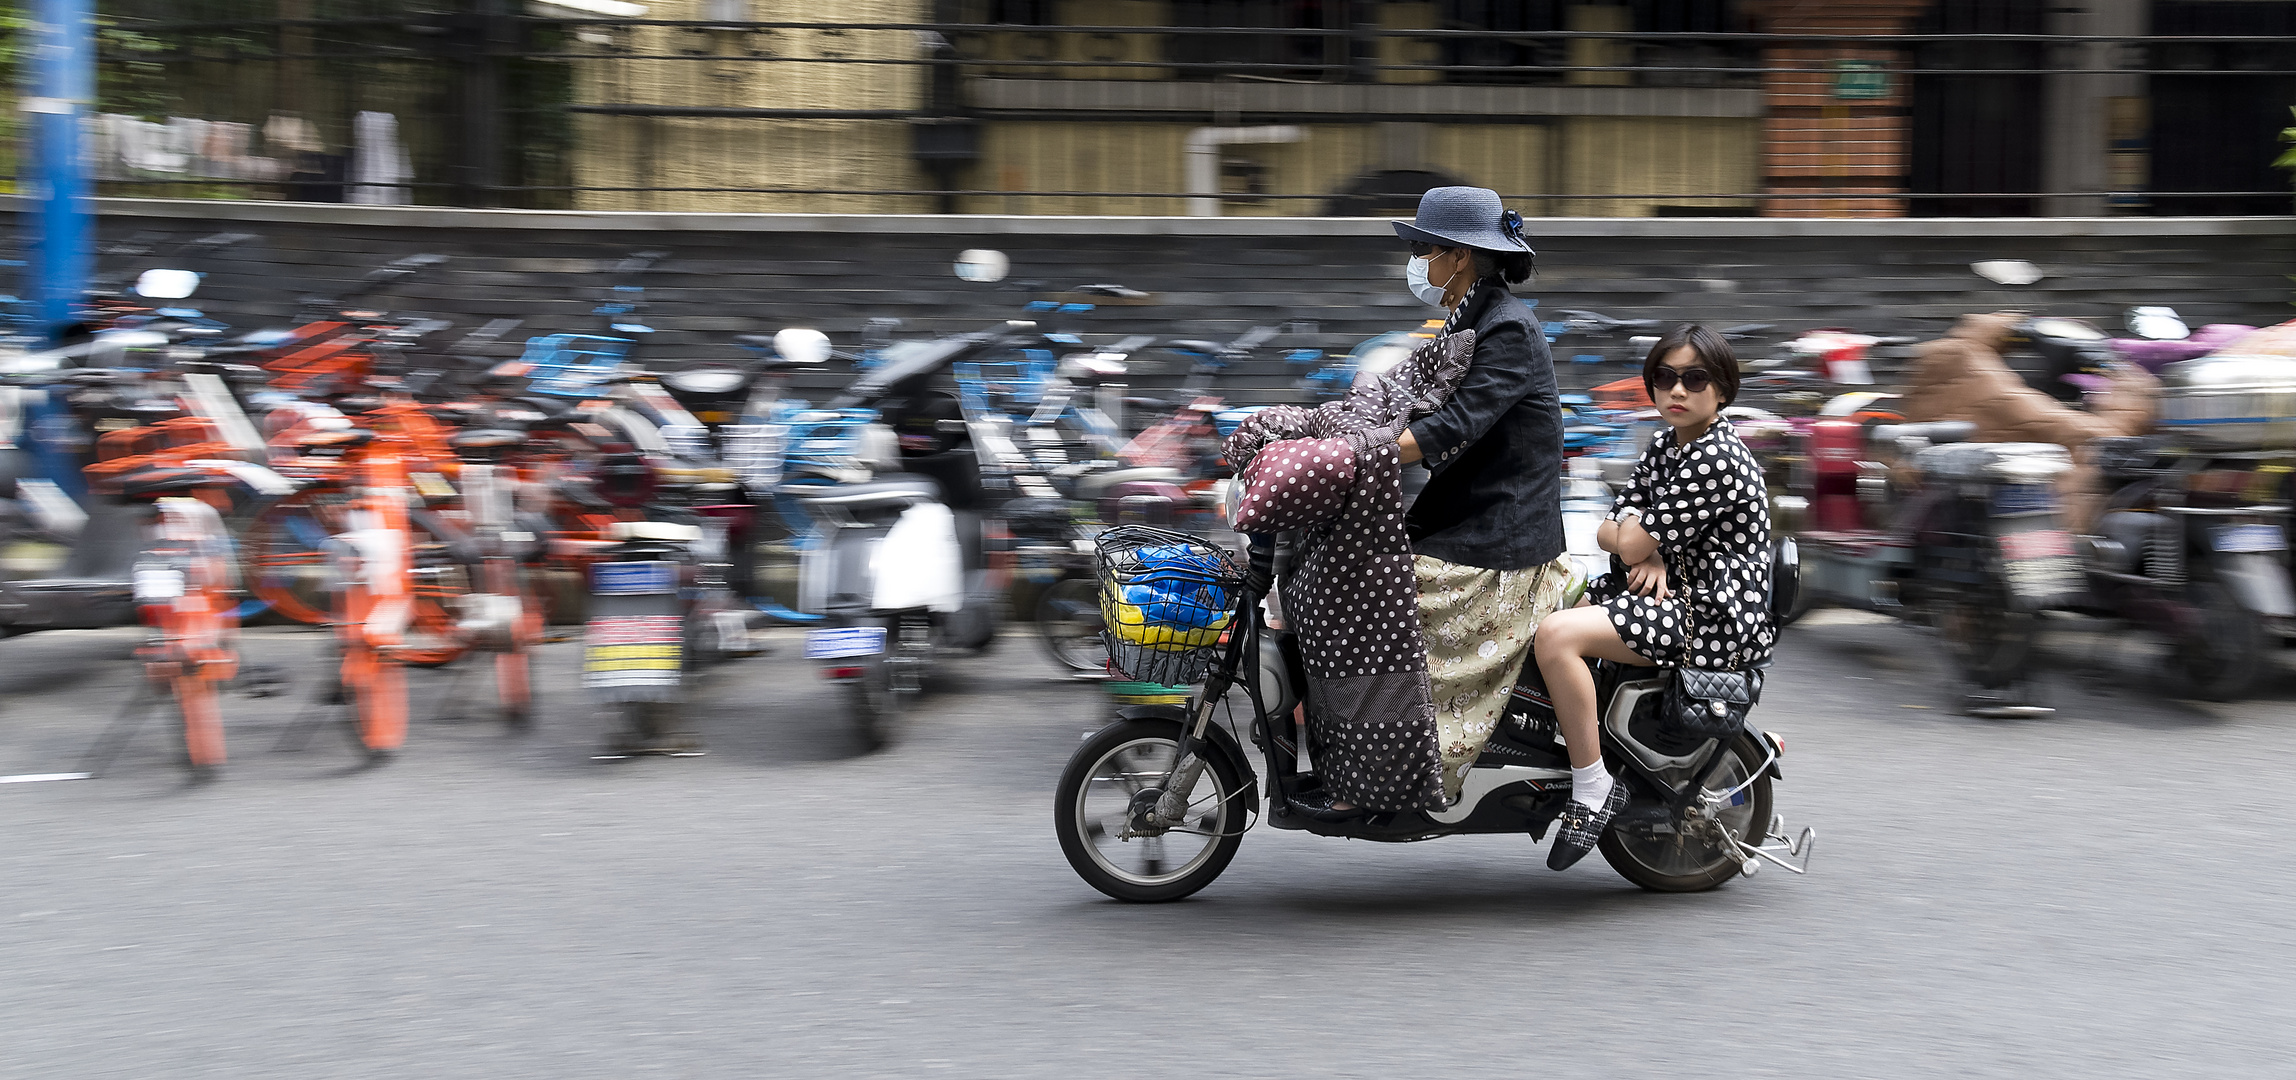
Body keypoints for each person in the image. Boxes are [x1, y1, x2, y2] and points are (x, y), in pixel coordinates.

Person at [1310, 186, 1576, 813]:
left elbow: (1451, 426)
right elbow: (1396, 402)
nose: (1418, 262)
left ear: (1457, 257)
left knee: (1372, 606)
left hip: (1501, 541)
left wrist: (1356, 456)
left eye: (1425, 249)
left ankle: (1394, 777)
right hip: (1466, 520)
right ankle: (1359, 753)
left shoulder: (1507, 329)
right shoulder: (1466, 320)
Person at [1531, 324, 1776, 869]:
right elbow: (1607, 527)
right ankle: (1571, 748)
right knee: (1543, 608)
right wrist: (1645, 546)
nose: (1677, 390)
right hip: (1673, 597)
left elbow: (1627, 533)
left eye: (1694, 378)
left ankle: (1592, 786)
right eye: (1665, 378)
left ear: (1723, 388)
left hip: (1708, 617)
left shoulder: (1717, 458)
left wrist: (1641, 542)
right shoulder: (1670, 444)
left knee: (1556, 637)